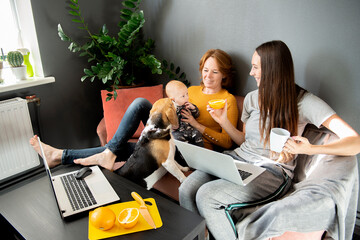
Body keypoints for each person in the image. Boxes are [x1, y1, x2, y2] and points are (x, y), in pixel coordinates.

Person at [178, 40, 360, 240]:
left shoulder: (303, 102)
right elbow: (244, 141)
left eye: (255, 67)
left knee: (207, 195)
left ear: (272, 70)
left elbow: (355, 142)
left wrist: (310, 149)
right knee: (187, 189)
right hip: (237, 159)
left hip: (272, 172)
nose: (251, 72)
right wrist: (223, 121)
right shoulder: (251, 99)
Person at [29, 48, 239, 170]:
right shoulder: (190, 90)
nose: (208, 76)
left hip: (190, 150)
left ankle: (60, 155)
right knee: (140, 103)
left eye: (215, 72)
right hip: (169, 135)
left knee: (129, 149)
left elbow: (228, 142)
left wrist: (196, 124)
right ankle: (105, 153)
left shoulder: (227, 99)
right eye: (205, 70)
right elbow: (167, 110)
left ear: (224, 75)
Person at [165, 80, 204, 147]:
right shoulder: (170, 109)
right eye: (183, 96)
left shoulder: (188, 105)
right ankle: (185, 153)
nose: (187, 97)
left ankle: (201, 150)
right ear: (173, 99)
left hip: (190, 130)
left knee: (198, 133)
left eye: (187, 94)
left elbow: (197, 115)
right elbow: (166, 121)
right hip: (178, 132)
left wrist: (193, 108)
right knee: (176, 139)